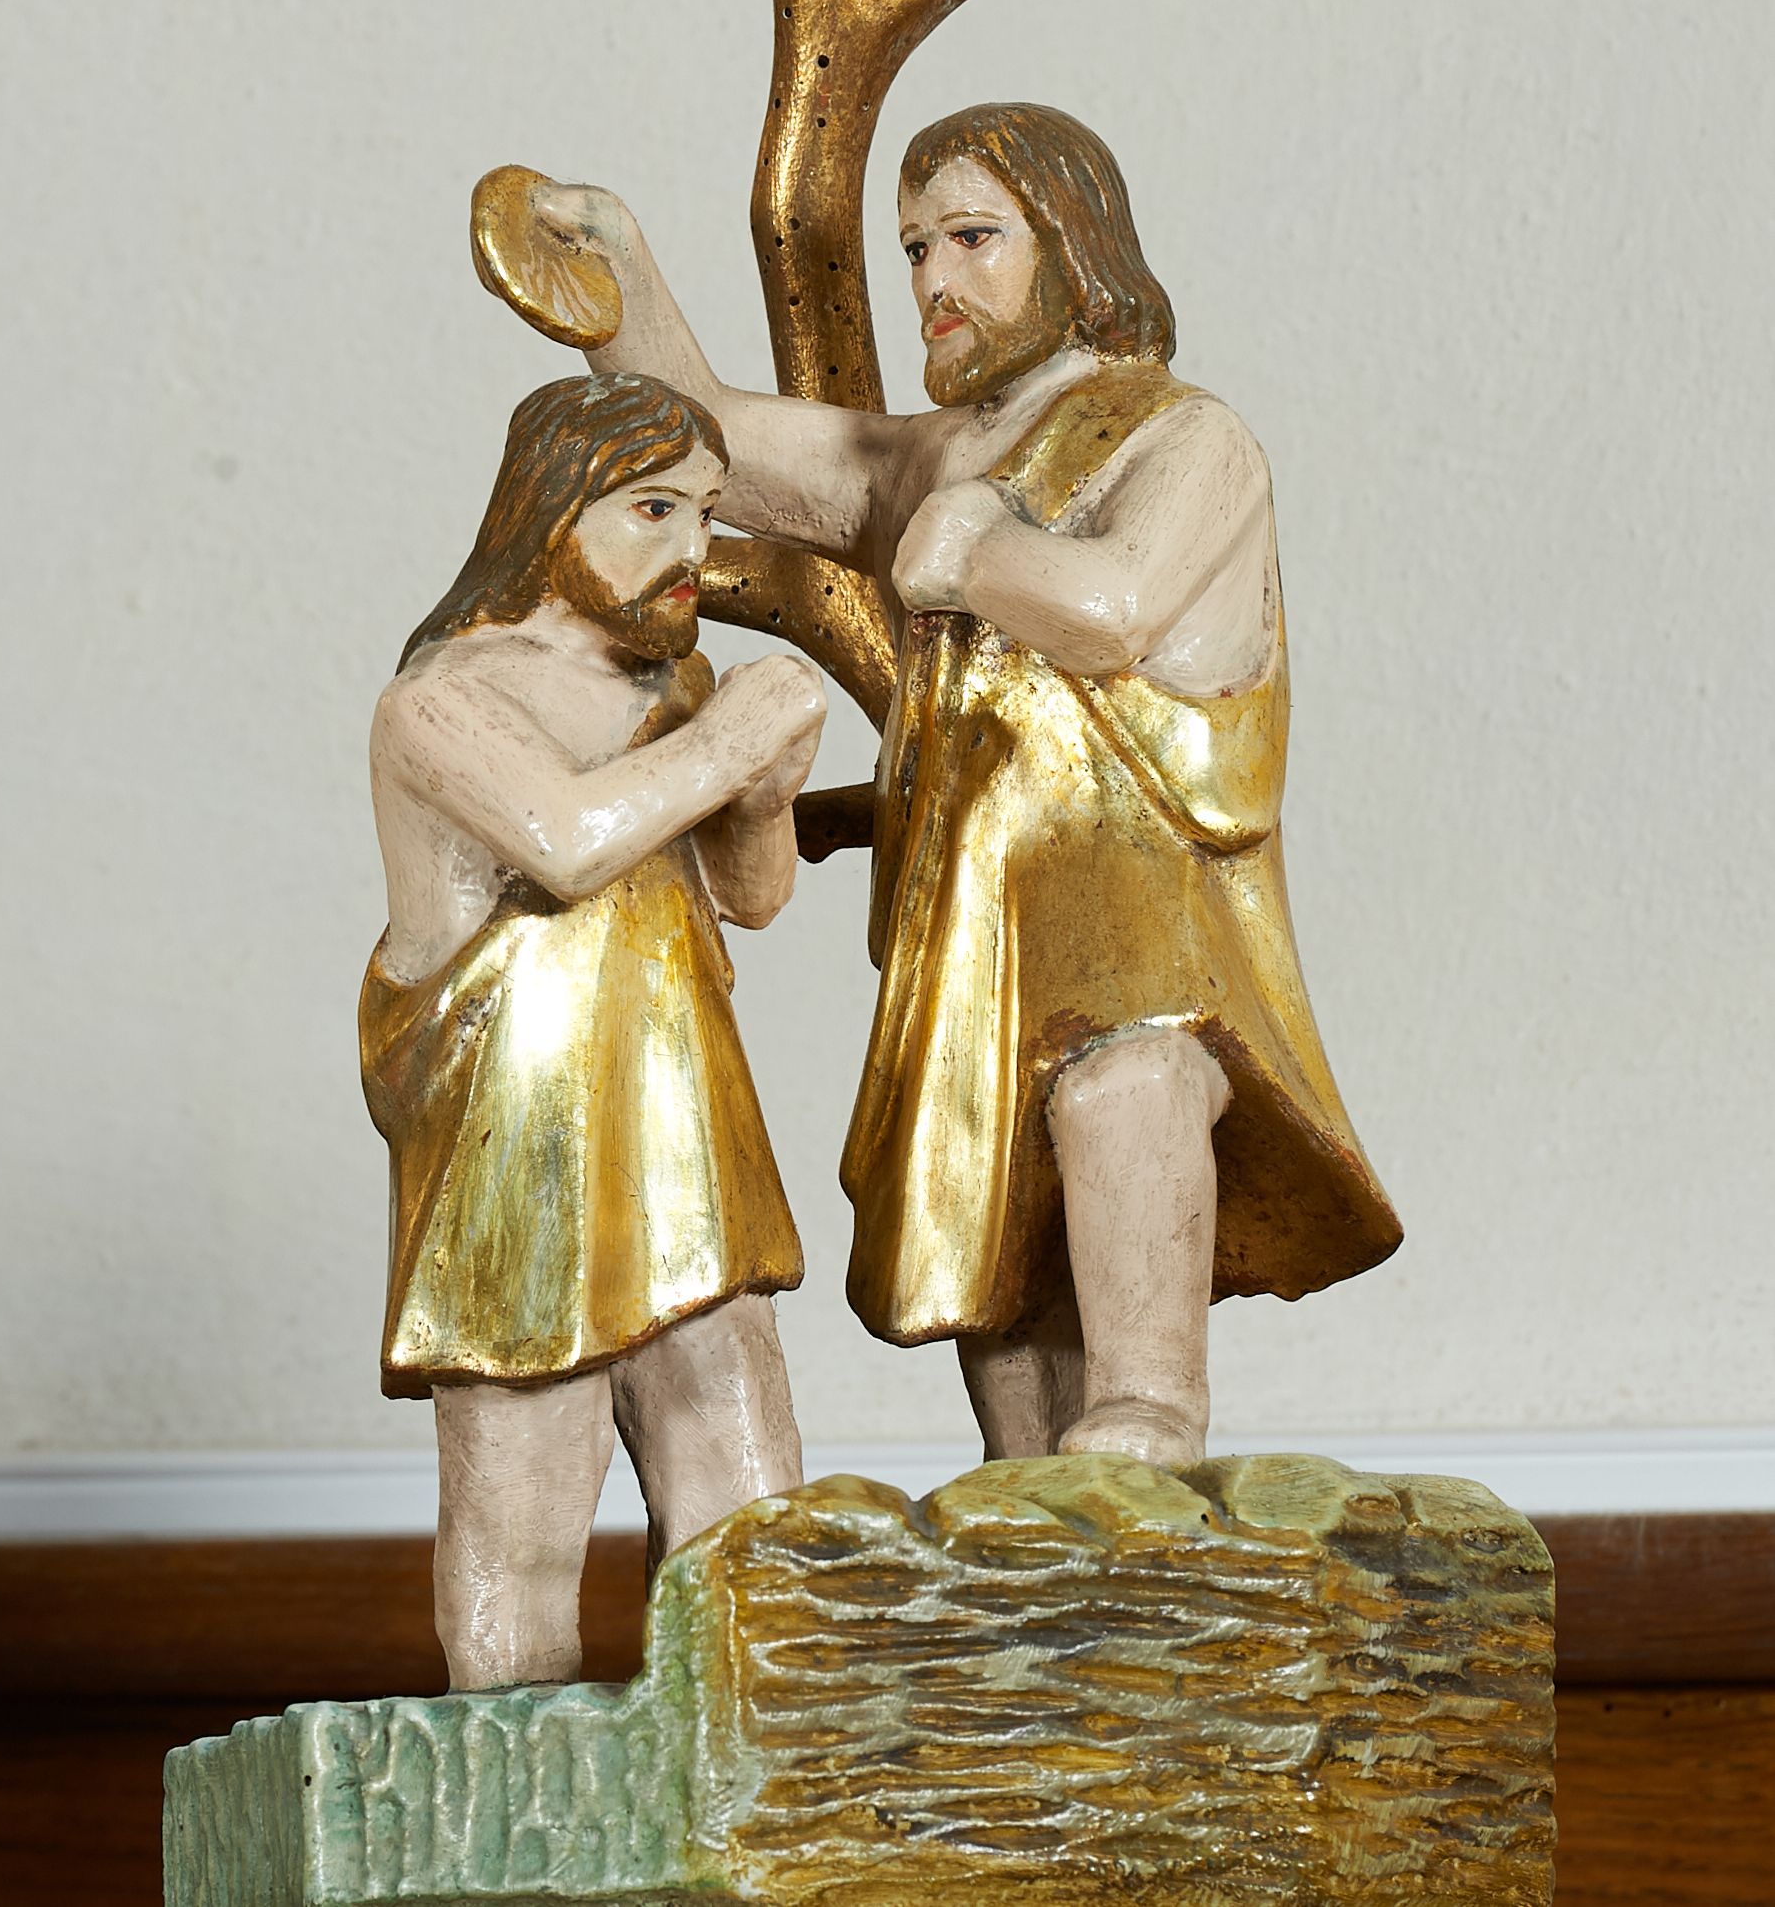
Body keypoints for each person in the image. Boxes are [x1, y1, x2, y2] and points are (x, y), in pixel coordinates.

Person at [529, 104, 1401, 1473]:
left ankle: (1150, 1413)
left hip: (1138, 910)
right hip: (977, 920)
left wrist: (976, 553)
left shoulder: (1182, 439)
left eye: (973, 238)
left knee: (1125, 1093)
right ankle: (1029, 1495)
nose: (933, 278)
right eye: (916, 248)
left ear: (1072, 240)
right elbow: (716, 443)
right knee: (995, 1201)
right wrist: (617, 272)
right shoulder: (934, 454)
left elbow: (1113, 610)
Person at [364, 371, 825, 1687]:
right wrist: (732, 742)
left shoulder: (675, 692)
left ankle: (745, 1767)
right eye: (654, 508)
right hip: (517, 1152)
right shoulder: (443, 702)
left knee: (745, 1496)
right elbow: (569, 843)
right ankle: (515, 1781)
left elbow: (749, 897)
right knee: (521, 1505)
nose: (694, 548)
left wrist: (763, 796)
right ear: (552, 507)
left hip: (681, 1127)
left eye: (708, 513)